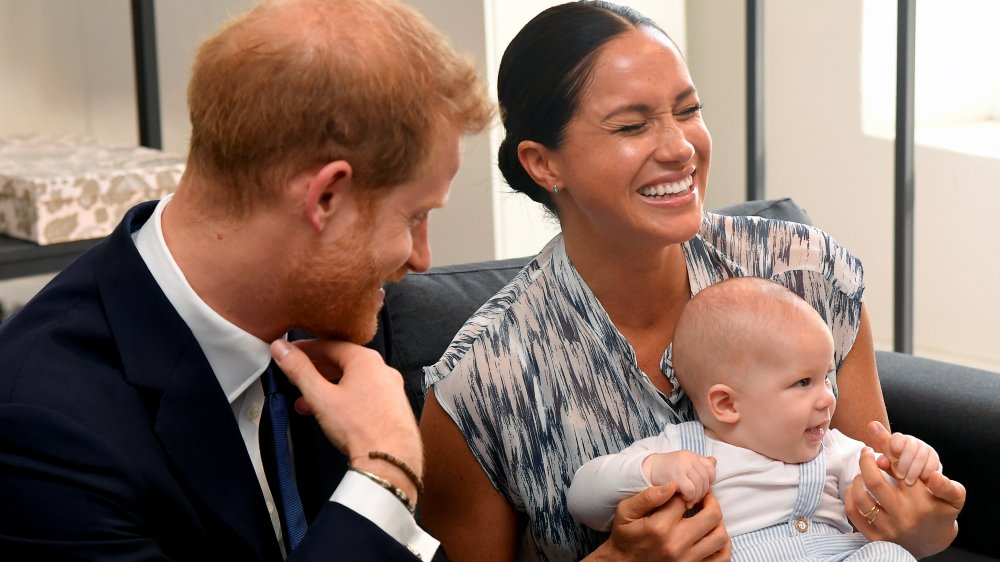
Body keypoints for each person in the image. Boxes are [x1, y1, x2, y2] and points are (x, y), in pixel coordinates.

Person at [417, 2, 965, 561]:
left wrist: (918, 526)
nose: (680, 148)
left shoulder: (806, 274)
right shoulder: (482, 386)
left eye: (688, 110)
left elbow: (886, 512)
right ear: (543, 164)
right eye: (631, 125)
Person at [0, 0, 491, 560]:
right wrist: (383, 475)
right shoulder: (41, 429)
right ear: (326, 197)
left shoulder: (333, 315)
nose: (423, 258)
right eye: (414, 217)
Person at [567, 276, 945, 561]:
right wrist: (652, 470)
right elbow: (583, 497)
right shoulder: (681, 449)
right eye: (803, 382)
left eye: (826, 377)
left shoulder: (834, 449)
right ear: (727, 405)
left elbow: (891, 494)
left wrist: (911, 462)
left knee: (889, 555)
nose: (828, 397)